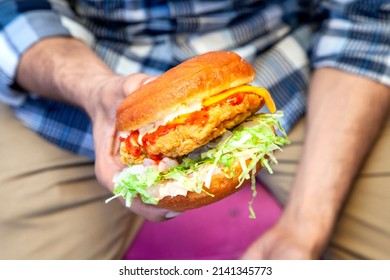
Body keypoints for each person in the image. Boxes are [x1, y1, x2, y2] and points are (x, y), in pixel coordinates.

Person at [0, 0, 389, 259]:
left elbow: (366, 19)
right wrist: (92, 90)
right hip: (71, 90)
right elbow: (14, 12)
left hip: (284, 72)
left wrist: (308, 224)